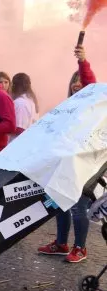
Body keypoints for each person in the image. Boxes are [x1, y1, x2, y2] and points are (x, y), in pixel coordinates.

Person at [38, 45, 96, 263]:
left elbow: (91, 83)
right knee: (60, 203)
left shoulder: (92, 106)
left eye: (81, 80)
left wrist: (83, 61)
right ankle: (61, 243)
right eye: (74, 80)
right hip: (64, 164)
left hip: (83, 166)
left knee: (79, 207)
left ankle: (80, 248)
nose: (77, 84)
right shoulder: (67, 107)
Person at [9, 73, 39, 142]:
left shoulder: (20, 102)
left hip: (17, 143)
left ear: (15, 86)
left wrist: (3, 127)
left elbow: (20, 128)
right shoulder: (31, 101)